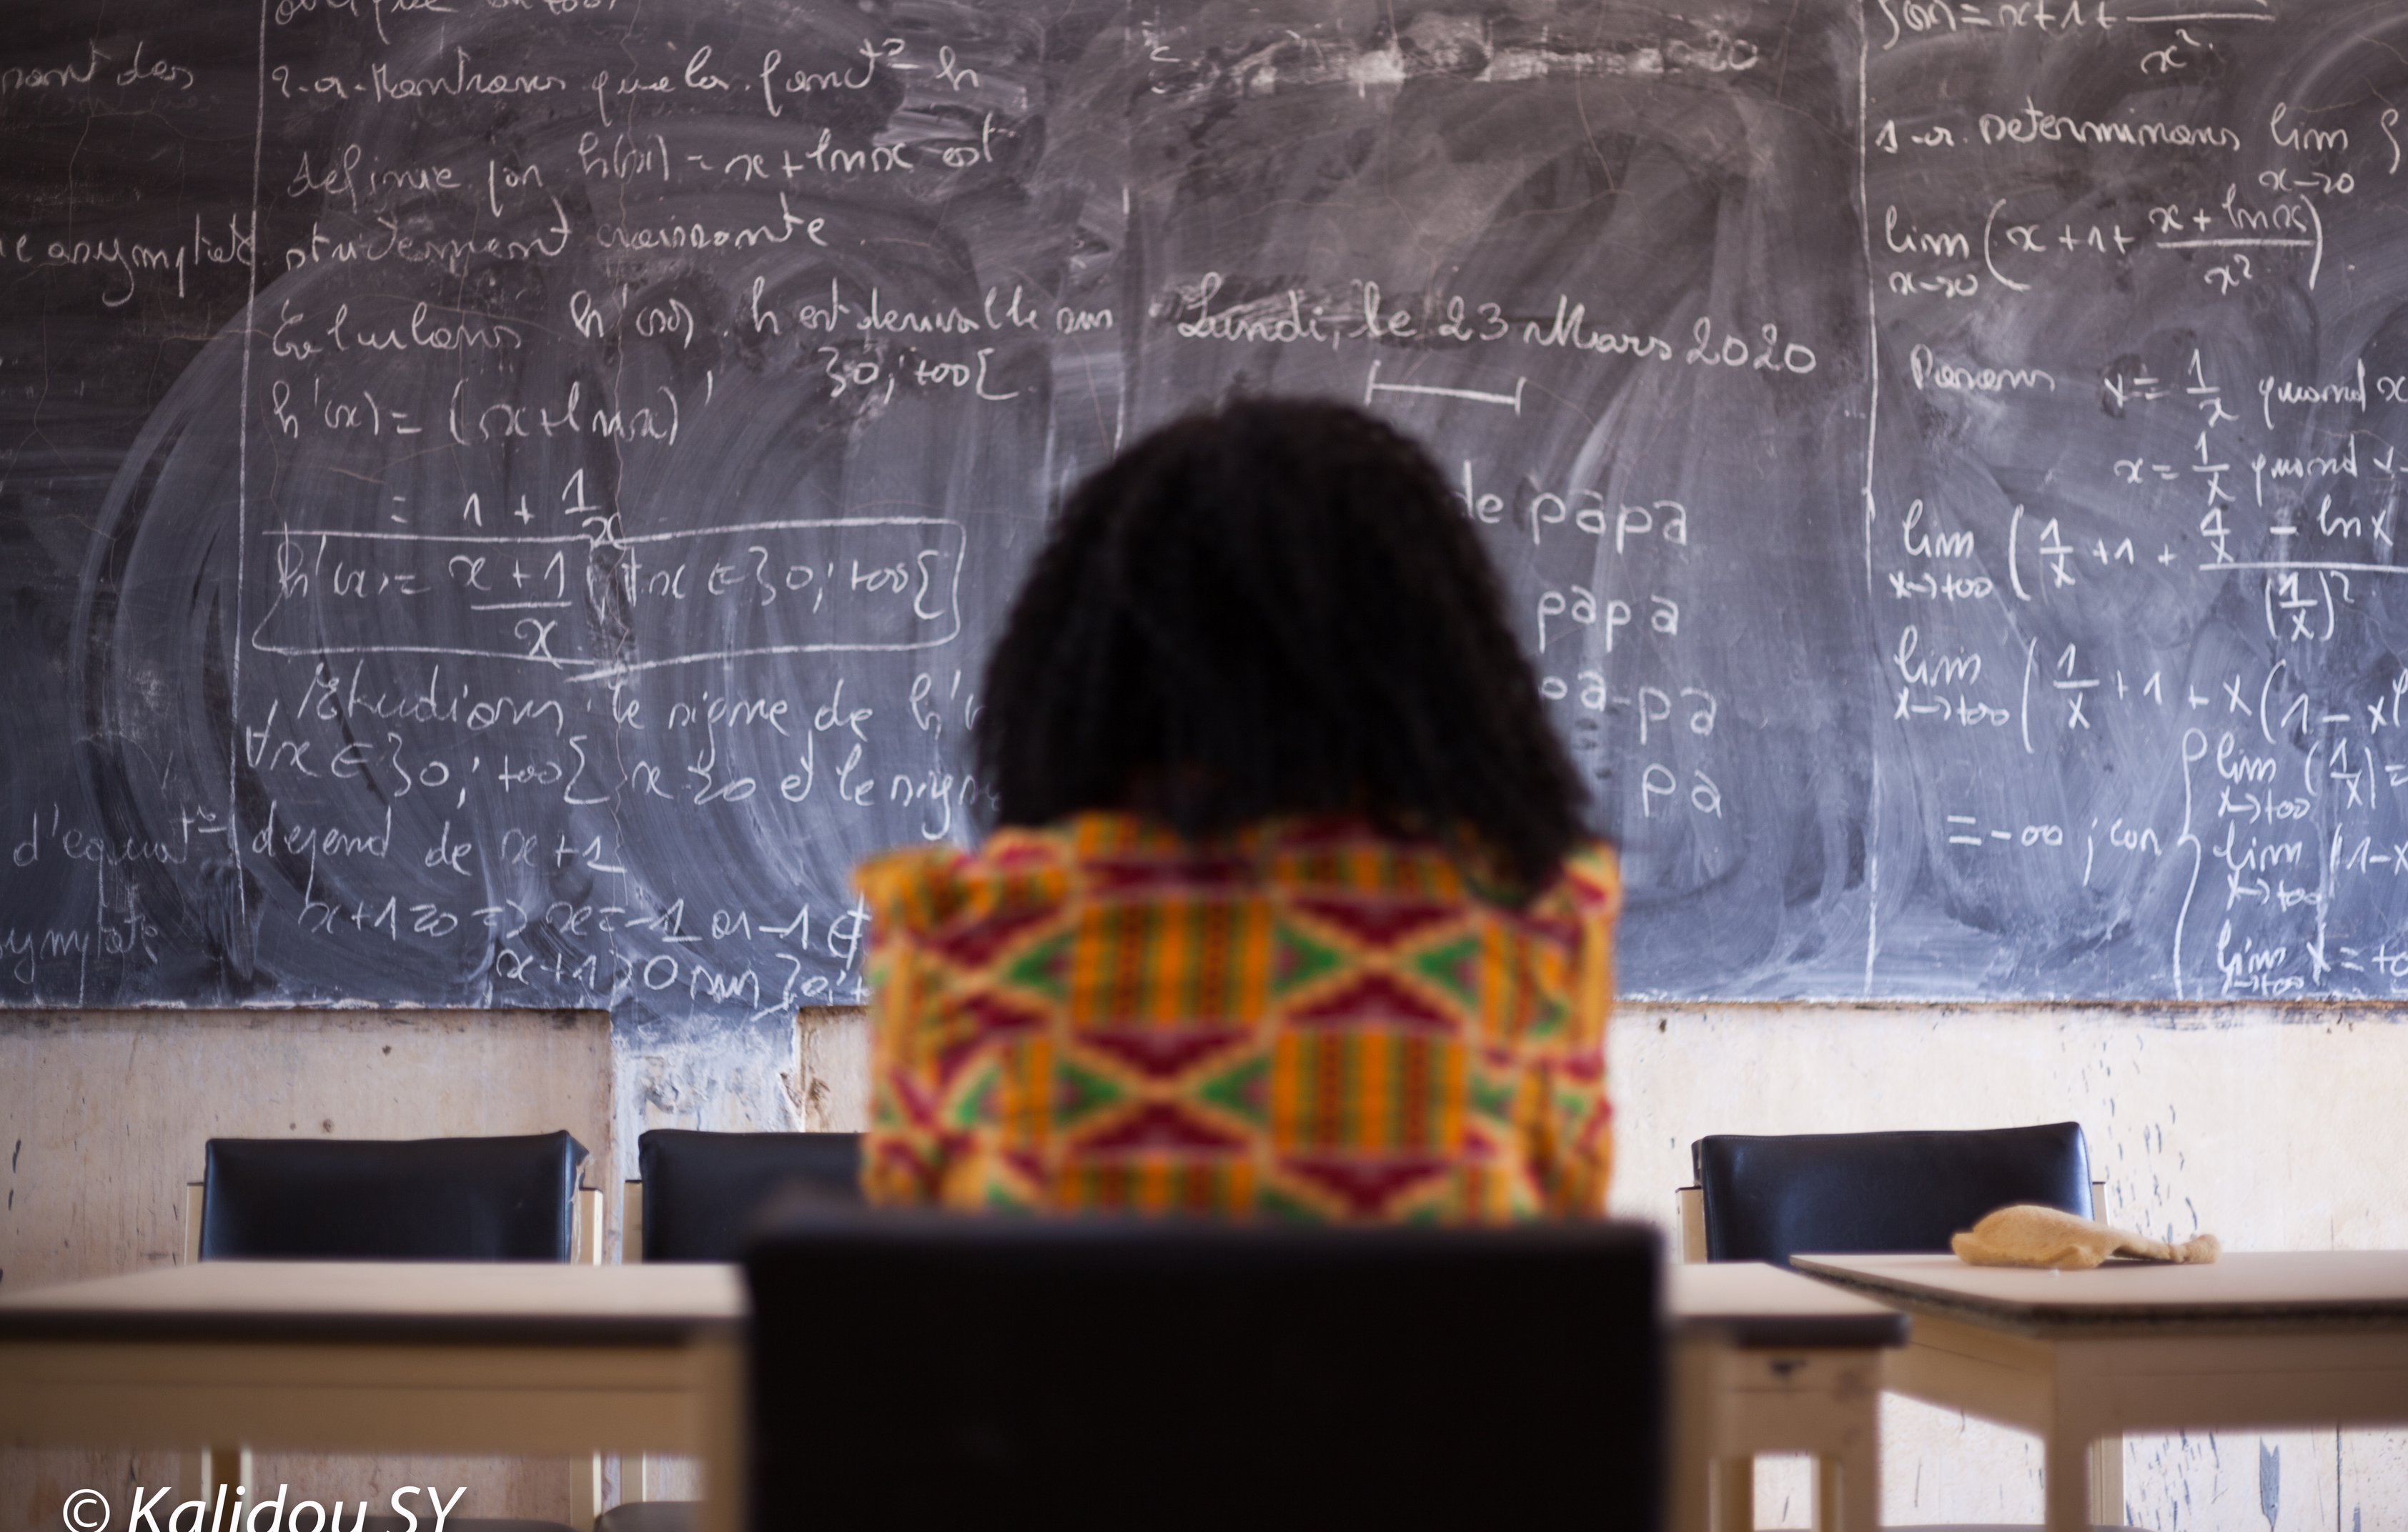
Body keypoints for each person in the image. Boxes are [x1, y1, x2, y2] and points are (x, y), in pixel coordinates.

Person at [856, 399, 1619, 1221]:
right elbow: (1556, 1249)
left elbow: (911, 1301)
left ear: (1077, 669)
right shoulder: (1538, 930)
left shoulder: (953, 942)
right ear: (1442, 674)